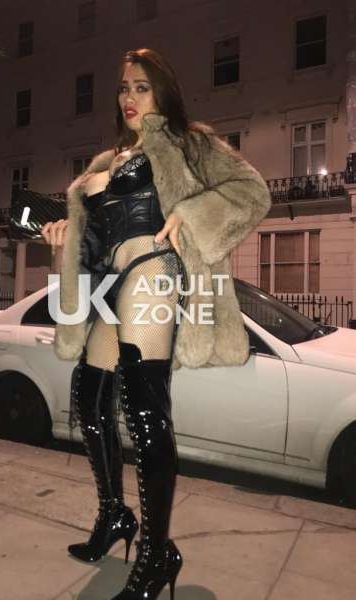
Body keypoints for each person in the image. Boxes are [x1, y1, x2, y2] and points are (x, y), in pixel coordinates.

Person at [42, 48, 271, 600]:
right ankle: (115, 515)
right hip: (110, 282)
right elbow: (91, 248)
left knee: (144, 409)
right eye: (124, 87)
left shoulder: (190, 142)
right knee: (89, 398)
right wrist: (60, 245)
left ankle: (157, 552)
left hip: (153, 269)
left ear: (162, 91)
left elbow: (252, 193)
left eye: (141, 87)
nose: (129, 97)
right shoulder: (105, 162)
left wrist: (190, 213)